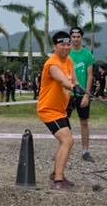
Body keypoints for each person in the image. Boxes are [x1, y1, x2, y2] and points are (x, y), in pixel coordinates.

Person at [37, 30, 84, 190]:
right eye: (62, 44)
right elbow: (62, 79)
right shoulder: (52, 63)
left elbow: (73, 79)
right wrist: (71, 86)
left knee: (67, 142)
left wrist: (79, 88)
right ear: (55, 46)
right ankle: (58, 180)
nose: (66, 47)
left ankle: (56, 173)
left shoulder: (69, 61)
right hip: (48, 109)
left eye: (68, 44)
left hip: (60, 110)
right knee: (67, 141)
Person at [67, 26, 96, 162]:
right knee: (64, 122)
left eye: (78, 37)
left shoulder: (87, 55)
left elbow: (90, 76)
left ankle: (85, 151)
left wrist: (87, 95)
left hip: (82, 94)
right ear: (70, 38)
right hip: (67, 93)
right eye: (73, 37)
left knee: (84, 122)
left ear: (82, 38)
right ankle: (65, 149)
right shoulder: (66, 53)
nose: (76, 39)